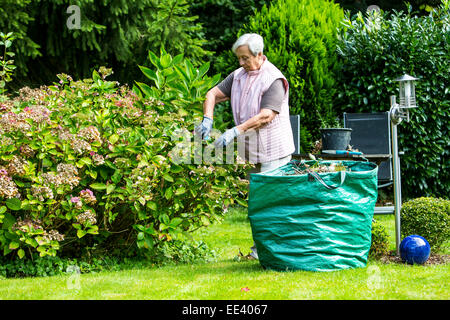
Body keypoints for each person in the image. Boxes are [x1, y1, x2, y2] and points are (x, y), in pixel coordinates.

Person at [195, 33, 295, 259]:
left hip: (274, 152)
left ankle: (270, 252)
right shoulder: (239, 76)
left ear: (259, 55)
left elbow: (266, 116)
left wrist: (235, 131)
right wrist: (207, 118)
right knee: (257, 204)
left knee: (271, 203)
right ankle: (260, 250)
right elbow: (212, 94)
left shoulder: (274, 79)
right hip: (251, 151)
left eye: (245, 58)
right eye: (239, 58)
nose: (240, 63)